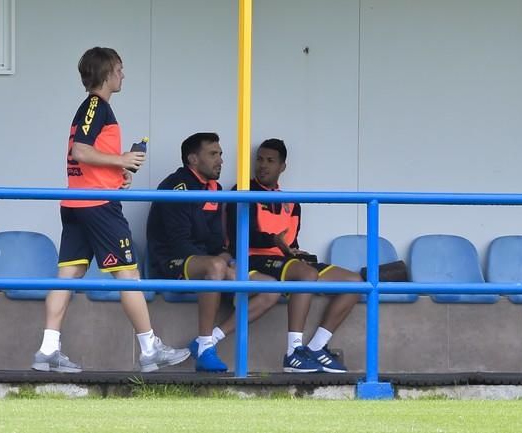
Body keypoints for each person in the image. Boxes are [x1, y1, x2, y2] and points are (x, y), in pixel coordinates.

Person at [32, 47, 190, 373]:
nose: (123, 74)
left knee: (68, 275)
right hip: (97, 206)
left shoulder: (95, 109)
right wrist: (120, 160)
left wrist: (117, 174)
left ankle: (48, 349)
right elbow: (80, 150)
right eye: (119, 68)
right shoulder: (95, 105)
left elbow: (88, 155)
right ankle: (150, 350)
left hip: (80, 202)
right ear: (107, 72)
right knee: (128, 274)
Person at [223, 138, 363, 373]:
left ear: (282, 167)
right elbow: (238, 237)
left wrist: (295, 250)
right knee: (306, 274)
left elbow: (290, 240)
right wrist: (273, 241)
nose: (263, 165)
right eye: (259, 160)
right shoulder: (242, 191)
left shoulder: (292, 202)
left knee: (355, 283)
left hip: (284, 260)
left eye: (270, 161)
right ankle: (293, 352)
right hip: (253, 259)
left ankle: (317, 347)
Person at [146, 132, 274, 372]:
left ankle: (211, 339)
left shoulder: (214, 188)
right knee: (215, 267)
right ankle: (206, 346)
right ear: (193, 159)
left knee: (271, 288)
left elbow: (218, 241)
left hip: (209, 263)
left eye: (221, 154)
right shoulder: (177, 187)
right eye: (213, 154)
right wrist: (220, 267)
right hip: (170, 261)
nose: (220, 161)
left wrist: (226, 261)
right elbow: (178, 243)